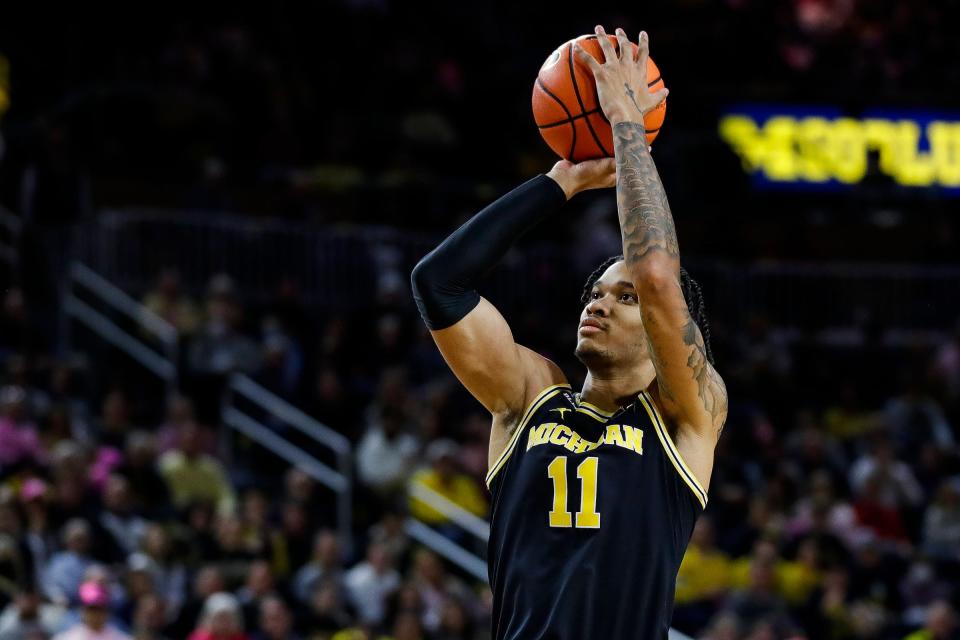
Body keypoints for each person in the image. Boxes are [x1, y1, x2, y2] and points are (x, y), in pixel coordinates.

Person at [410, 26, 727, 640]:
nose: (601, 303)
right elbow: (438, 283)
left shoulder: (688, 411)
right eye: (597, 293)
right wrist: (563, 183)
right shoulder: (529, 397)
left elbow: (659, 274)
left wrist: (626, 124)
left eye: (624, 297)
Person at [52, 581, 131, 640]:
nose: (96, 614)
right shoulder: (67, 637)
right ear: (82, 610)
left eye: (99, 609)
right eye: (91, 609)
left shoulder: (120, 637)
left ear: (107, 610)